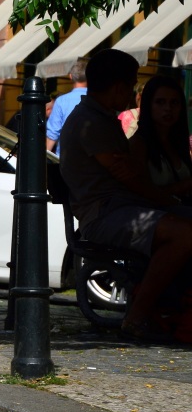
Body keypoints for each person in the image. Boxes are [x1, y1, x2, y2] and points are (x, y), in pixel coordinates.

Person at [59, 49, 192, 340]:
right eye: (132, 86)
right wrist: (167, 200)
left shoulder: (102, 119)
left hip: (123, 208)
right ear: (119, 87)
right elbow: (129, 178)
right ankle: (138, 315)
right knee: (184, 233)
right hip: (106, 215)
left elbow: (128, 174)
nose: (132, 94)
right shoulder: (90, 122)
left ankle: (174, 309)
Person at [129, 76, 192, 199]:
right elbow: (142, 193)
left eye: (174, 102)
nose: (168, 109)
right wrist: (185, 185)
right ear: (148, 105)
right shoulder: (138, 144)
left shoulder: (177, 142)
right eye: (160, 102)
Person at [46, 58, 88, 154]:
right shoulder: (97, 99)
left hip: (66, 160)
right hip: (93, 161)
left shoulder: (62, 101)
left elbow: (52, 135)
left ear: (70, 76)